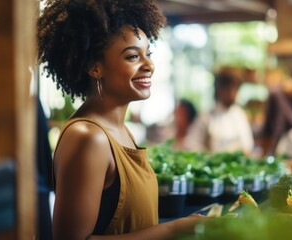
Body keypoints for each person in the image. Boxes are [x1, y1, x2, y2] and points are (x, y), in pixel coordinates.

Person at [37, 1, 201, 239]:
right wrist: (175, 229)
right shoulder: (88, 136)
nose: (149, 65)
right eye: (133, 56)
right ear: (94, 67)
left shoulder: (119, 129)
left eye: (148, 54)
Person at [184, 68, 255, 154]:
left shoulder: (240, 115)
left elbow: (248, 145)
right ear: (219, 89)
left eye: (235, 89)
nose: (232, 94)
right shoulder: (206, 118)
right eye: (228, 89)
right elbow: (191, 145)